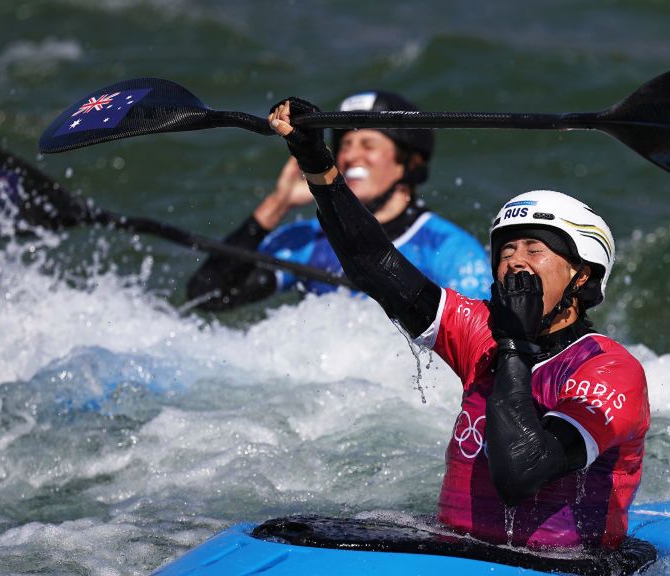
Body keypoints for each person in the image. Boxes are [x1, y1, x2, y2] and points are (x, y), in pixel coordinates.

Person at [268, 98, 649, 550]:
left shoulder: (610, 371)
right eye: (506, 253)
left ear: (581, 275)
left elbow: (520, 473)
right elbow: (374, 266)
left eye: (533, 250)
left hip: (562, 564)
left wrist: (515, 345)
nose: (516, 266)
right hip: (457, 548)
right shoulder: (480, 329)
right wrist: (318, 164)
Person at [186, 90, 491, 311]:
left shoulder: (450, 248)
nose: (351, 155)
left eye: (368, 144)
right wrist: (277, 204)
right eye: (344, 145)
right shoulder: (309, 240)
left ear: (409, 163)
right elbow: (208, 295)